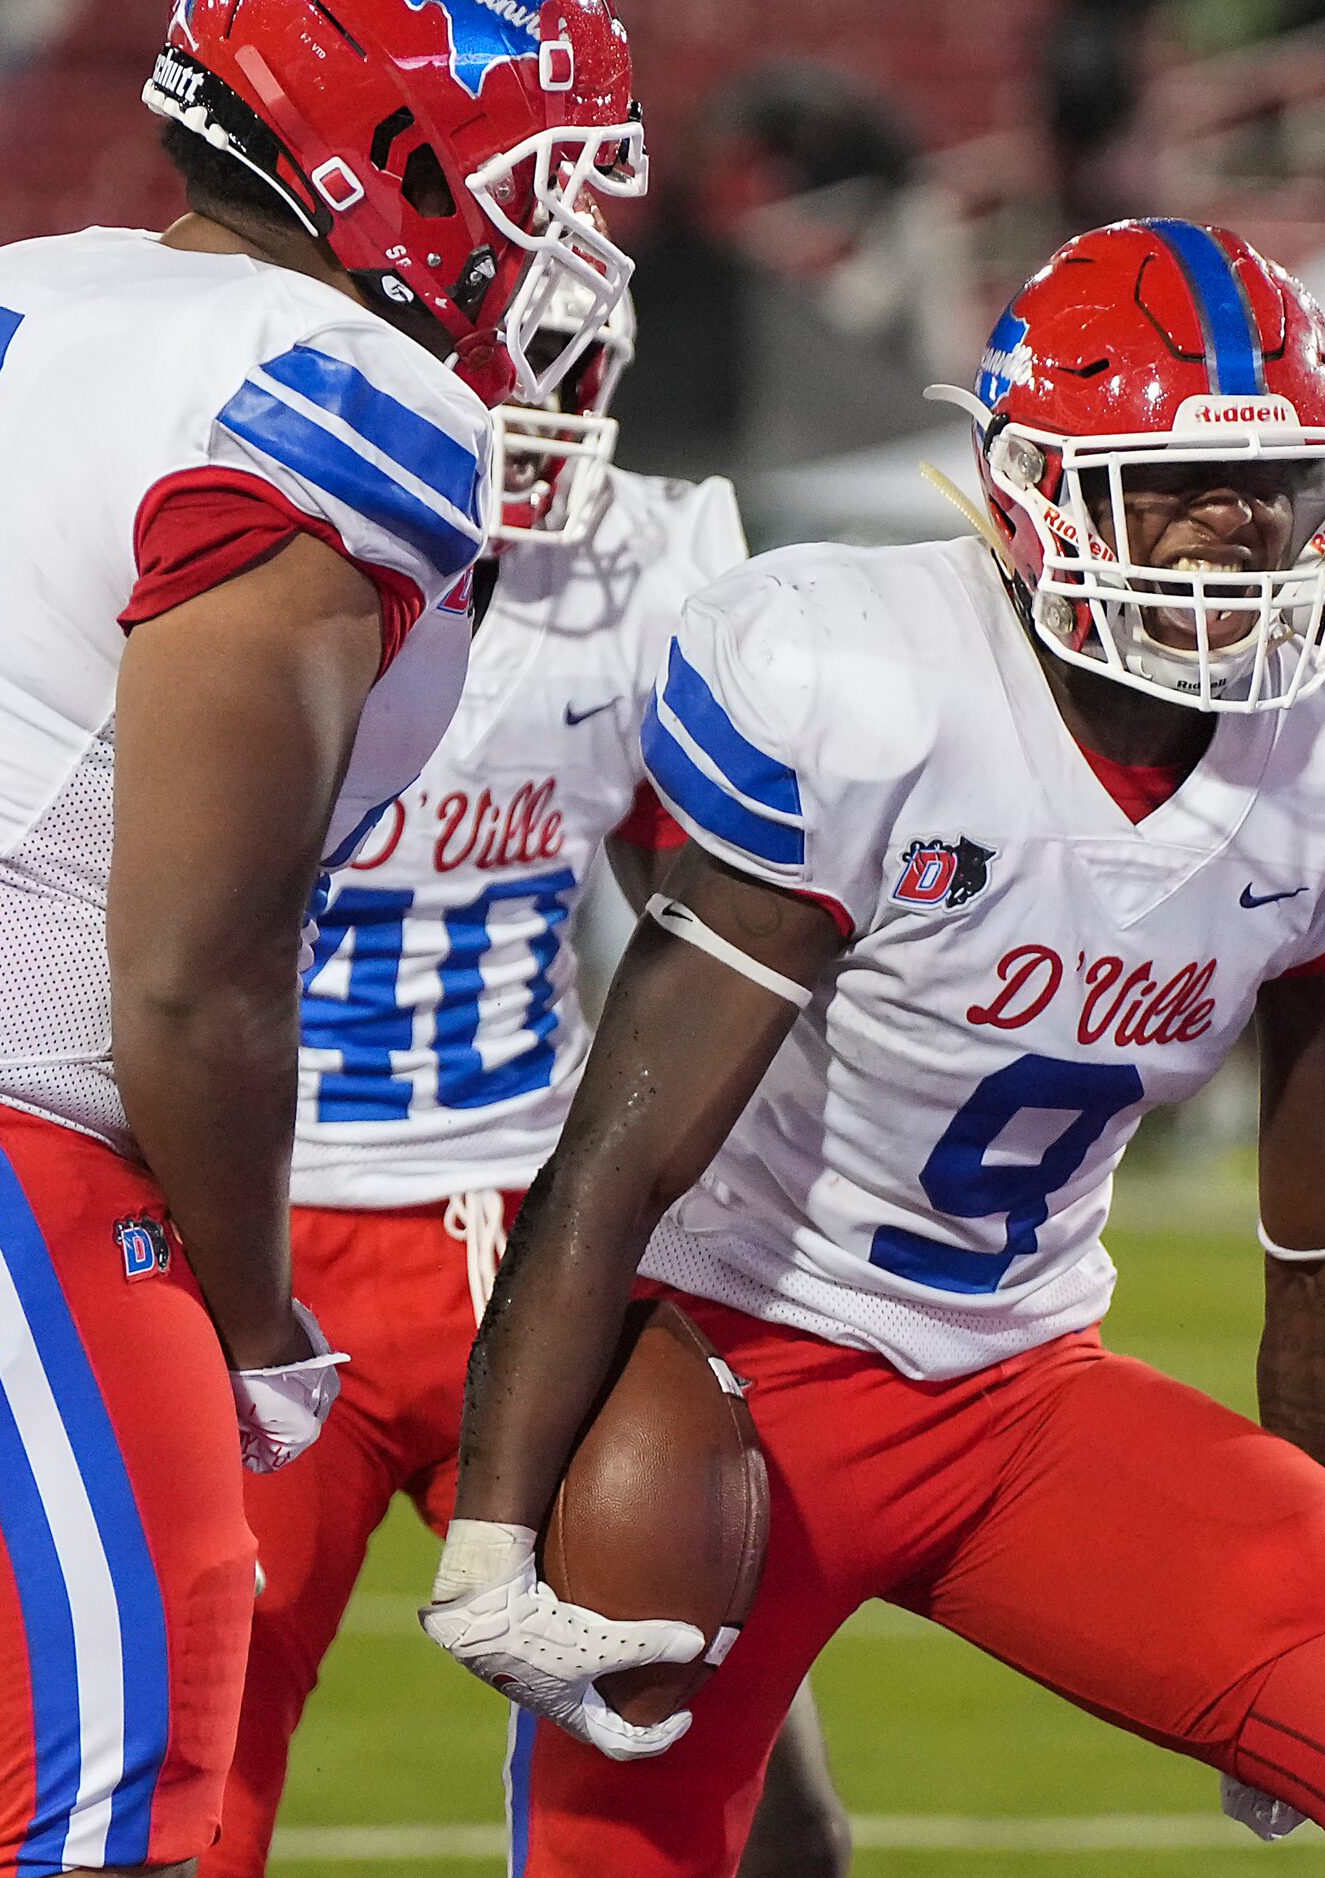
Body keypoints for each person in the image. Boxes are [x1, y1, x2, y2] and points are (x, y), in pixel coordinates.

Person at [422, 217, 1325, 1877]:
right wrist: (497, 1522)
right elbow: (625, 1147)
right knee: (632, 1846)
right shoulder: (866, 681)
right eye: (1173, 484)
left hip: (1022, 1380)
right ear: (1028, 486)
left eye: (1286, 481)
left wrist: (1308, 1582)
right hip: (742, 1362)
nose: (1240, 526)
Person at [0, 3, 638, 1871]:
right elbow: (189, 968)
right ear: (393, 155)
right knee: (92, 1829)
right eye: (543, 178)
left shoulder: (21, 281)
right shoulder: (337, 387)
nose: (566, 236)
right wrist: (255, 1311)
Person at [209, 278, 850, 1877]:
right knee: (178, 1773)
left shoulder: (637, 567)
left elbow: (710, 914)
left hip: (525, 1226)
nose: (532, 397)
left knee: (730, 1764)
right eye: (499, 352)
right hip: (252, 1230)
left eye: (560, 359)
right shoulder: (226, 526)